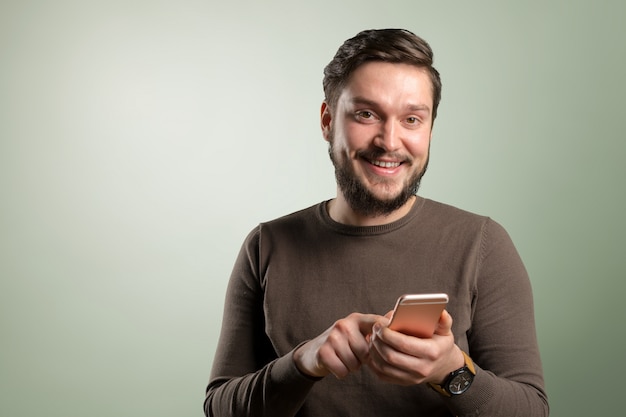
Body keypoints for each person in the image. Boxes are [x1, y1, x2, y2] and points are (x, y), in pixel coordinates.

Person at [204, 28, 549, 417]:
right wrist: (303, 362)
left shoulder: (482, 244)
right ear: (327, 120)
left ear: (431, 127)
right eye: (366, 114)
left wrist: (450, 369)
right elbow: (219, 408)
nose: (389, 141)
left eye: (412, 119)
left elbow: (531, 410)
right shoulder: (266, 246)